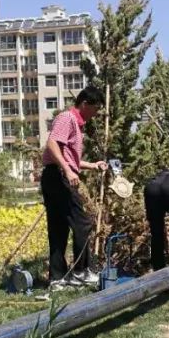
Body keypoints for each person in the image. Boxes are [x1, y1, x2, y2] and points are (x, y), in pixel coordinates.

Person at [41, 87, 108, 289]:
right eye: (95, 109)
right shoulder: (67, 118)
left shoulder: (75, 125)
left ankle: (58, 277)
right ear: (84, 104)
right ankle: (80, 271)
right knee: (83, 222)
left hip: (55, 175)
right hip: (59, 177)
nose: (95, 115)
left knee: (59, 227)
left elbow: (69, 158)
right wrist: (68, 172)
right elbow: (52, 145)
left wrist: (92, 166)